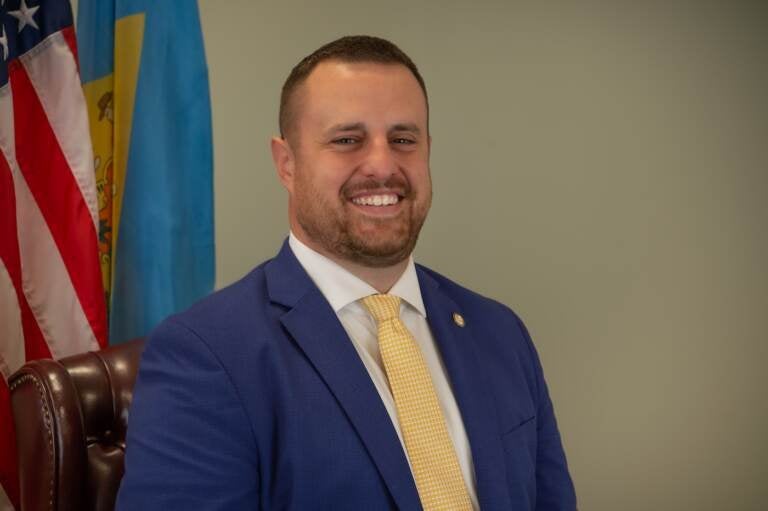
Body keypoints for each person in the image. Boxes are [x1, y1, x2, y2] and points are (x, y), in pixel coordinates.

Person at [116, 35, 576, 510]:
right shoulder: (207, 354)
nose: (382, 164)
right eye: (347, 140)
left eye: (403, 140)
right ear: (287, 164)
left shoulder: (500, 333)